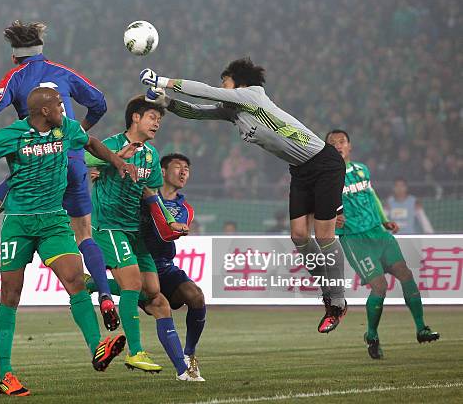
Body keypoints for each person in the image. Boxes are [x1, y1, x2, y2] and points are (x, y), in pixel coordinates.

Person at [0, 20, 119, 330]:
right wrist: (78, 132)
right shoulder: (63, 72)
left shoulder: (15, 77)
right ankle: (106, 295)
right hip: (72, 160)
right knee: (84, 232)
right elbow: (99, 103)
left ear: (14, 55)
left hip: (36, 165)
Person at [0, 88, 134, 395]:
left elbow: (93, 143)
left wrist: (117, 162)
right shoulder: (12, 135)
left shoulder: (66, 129)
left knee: (74, 280)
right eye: (59, 105)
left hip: (54, 221)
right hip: (18, 223)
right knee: (10, 296)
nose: (63, 108)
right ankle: (6, 374)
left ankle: (97, 346)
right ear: (44, 111)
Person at [140, 57, 347, 333]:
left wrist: (162, 80)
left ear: (238, 82)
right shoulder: (233, 111)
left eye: (224, 81)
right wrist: (166, 102)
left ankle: (336, 301)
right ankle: (328, 283)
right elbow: (197, 112)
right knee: (298, 235)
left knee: (323, 236)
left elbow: (205, 91)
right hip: (300, 170)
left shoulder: (251, 96)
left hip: (324, 164)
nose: (221, 86)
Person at [85, 96, 203, 381]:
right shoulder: (111, 144)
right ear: (135, 118)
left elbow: (151, 195)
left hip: (135, 232)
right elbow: (81, 158)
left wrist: (170, 220)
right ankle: (135, 351)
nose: (157, 123)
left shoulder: (150, 154)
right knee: (134, 283)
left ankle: (183, 371)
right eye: (152, 117)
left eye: (159, 120)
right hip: (110, 227)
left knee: (155, 294)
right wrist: (101, 165)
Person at [326, 129, 439, 360]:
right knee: (380, 286)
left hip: (378, 232)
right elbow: (315, 202)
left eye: (342, 141)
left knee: (406, 274)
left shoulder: (361, 170)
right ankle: (372, 335)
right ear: (328, 148)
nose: (338, 145)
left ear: (350, 146)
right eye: (333, 143)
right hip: (355, 238)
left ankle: (421, 329)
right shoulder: (325, 175)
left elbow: (372, 195)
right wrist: (329, 216)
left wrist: (384, 219)